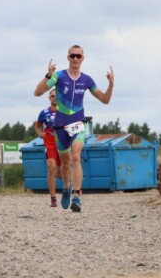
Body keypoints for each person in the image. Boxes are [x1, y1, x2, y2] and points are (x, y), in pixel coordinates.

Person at [34, 45, 114, 212]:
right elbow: (38, 92)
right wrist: (48, 74)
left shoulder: (87, 80)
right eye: (73, 56)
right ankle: (66, 186)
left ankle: (77, 196)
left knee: (76, 156)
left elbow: (105, 100)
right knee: (65, 163)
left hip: (78, 123)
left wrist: (111, 85)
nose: (75, 59)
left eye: (78, 56)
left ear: (83, 59)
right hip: (60, 126)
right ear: (68, 57)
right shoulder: (59, 76)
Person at [35, 89, 62, 207]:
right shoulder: (44, 112)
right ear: (49, 98)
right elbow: (37, 126)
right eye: (52, 96)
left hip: (62, 144)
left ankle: (68, 188)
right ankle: (53, 198)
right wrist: (40, 133)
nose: (55, 98)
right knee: (51, 166)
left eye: (57, 96)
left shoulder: (65, 111)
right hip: (50, 144)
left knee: (61, 174)